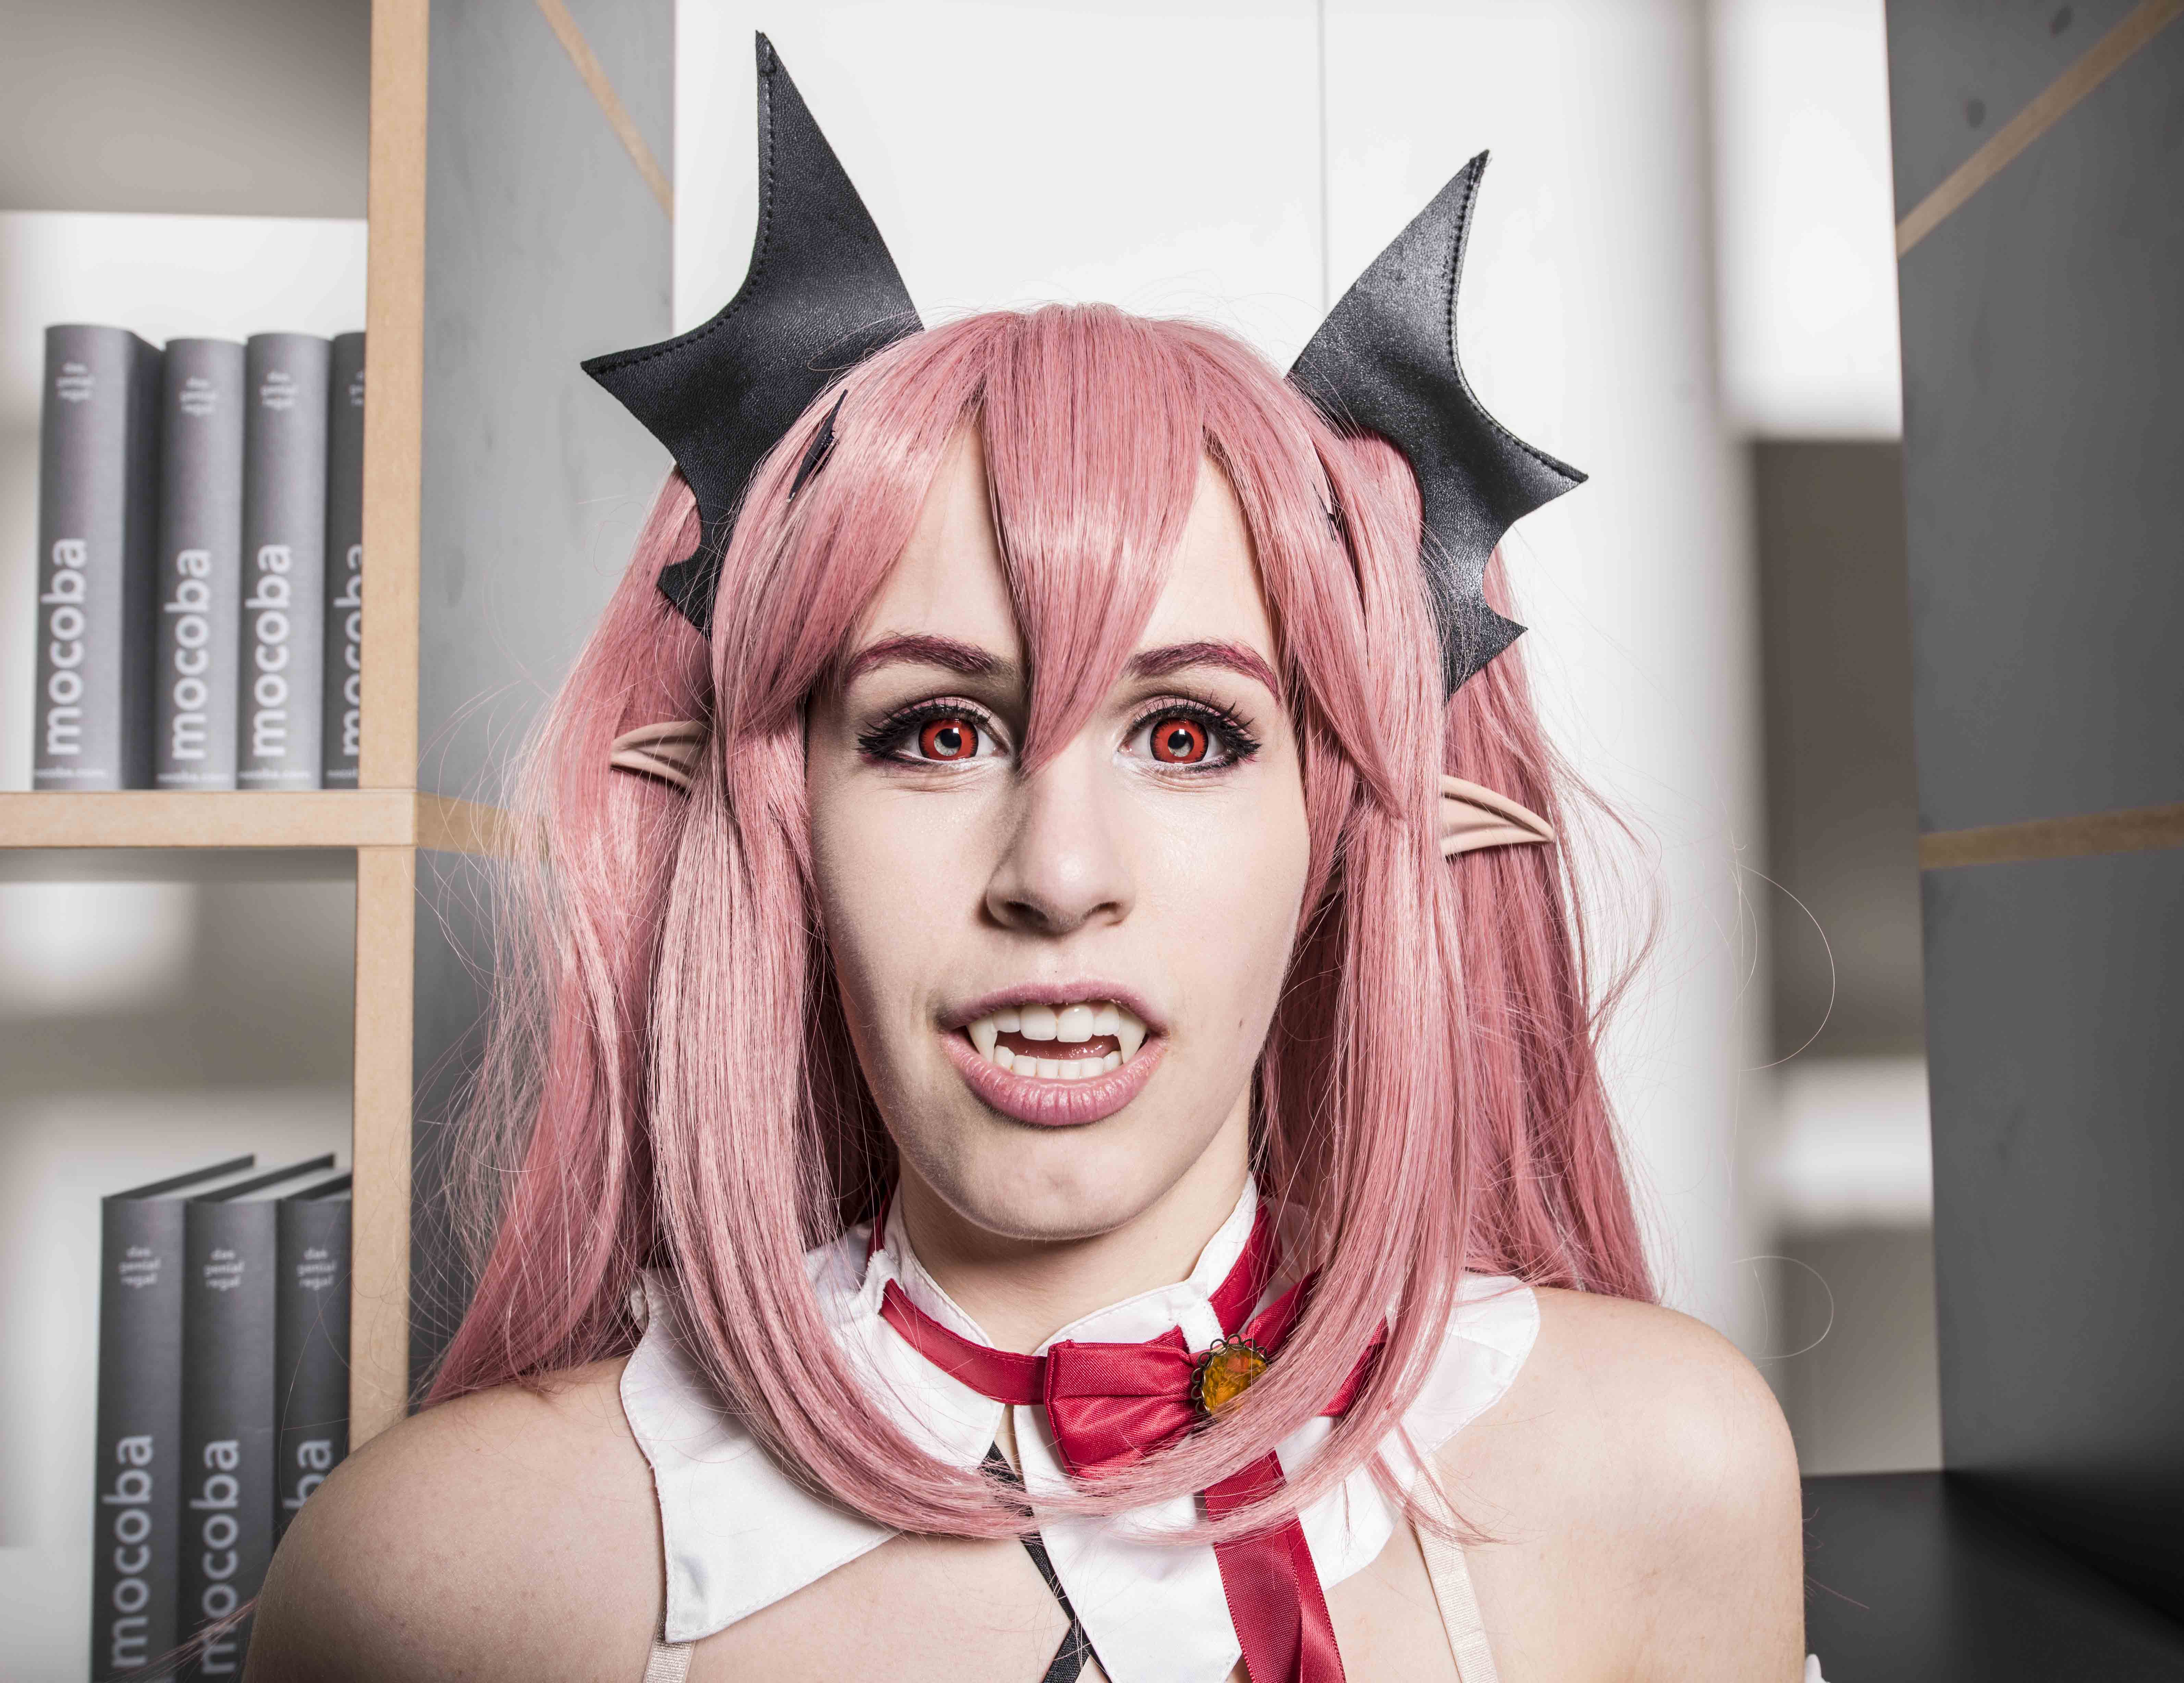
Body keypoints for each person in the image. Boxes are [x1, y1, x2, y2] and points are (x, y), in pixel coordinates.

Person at [246, 38, 1804, 1683]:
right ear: (780, 821)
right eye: (934, 731)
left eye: (1188, 734)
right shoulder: (448, 1585)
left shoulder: (1655, 1477)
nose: (1057, 876)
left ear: (1337, 828)